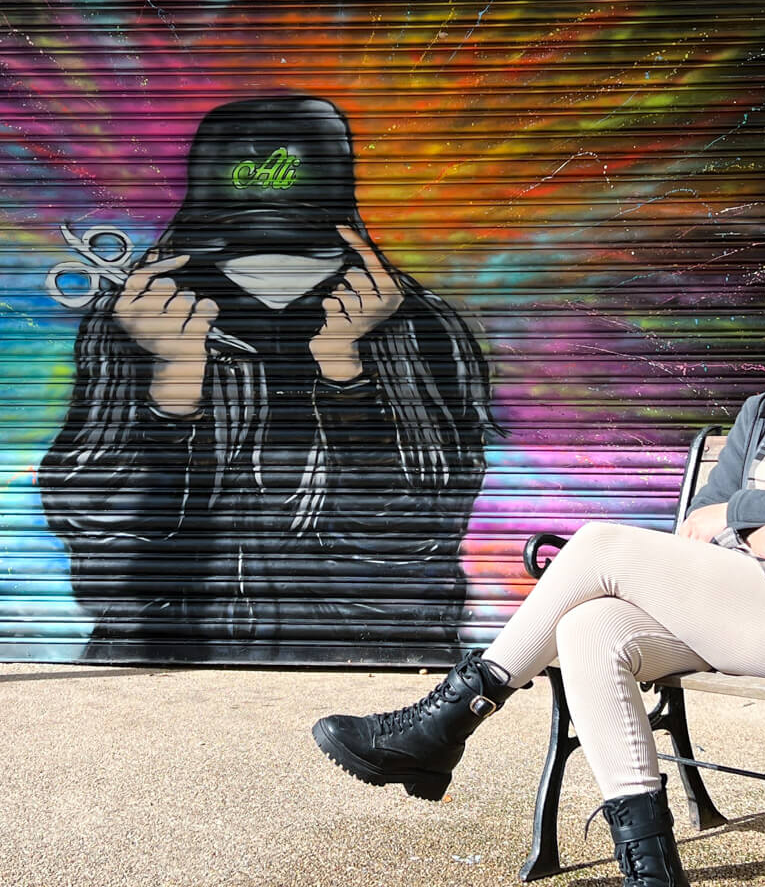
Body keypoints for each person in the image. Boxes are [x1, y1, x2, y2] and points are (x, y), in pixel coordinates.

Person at [312, 239, 765, 887]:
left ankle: (446, 721)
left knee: (599, 544)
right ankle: (651, 870)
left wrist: (748, 509)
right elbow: (701, 519)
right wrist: (753, 533)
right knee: (588, 630)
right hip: (742, 605)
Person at [36, 96, 494, 664]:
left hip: (370, 666)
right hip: (163, 669)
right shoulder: (136, 317)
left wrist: (345, 373)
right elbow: (102, 541)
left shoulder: (416, 324)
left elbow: (413, 535)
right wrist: (174, 385)